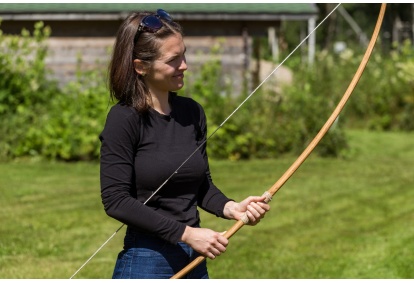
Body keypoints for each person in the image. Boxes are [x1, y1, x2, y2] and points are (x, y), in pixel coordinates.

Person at [99, 9, 270, 279]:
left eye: (184, 54)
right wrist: (187, 234)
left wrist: (231, 207)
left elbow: (201, 185)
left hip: (193, 259)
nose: (184, 65)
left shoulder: (192, 112)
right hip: (147, 259)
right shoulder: (124, 118)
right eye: (173, 59)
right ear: (140, 67)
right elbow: (115, 200)